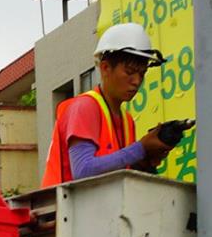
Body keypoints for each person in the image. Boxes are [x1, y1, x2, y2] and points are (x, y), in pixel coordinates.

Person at [39, 23, 188, 186]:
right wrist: (141, 148)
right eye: (130, 72)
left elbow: (119, 171)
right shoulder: (85, 107)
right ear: (105, 68)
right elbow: (83, 170)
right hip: (65, 210)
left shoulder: (127, 120)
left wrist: (147, 160)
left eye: (142, 73)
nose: (137, 81)